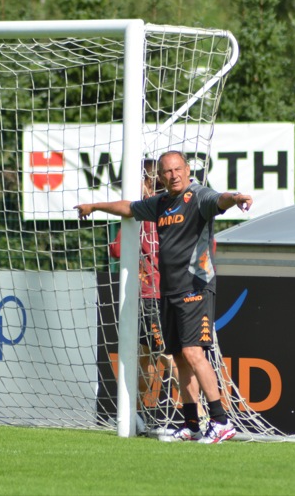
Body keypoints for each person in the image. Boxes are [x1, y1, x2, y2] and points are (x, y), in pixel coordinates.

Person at [76, 150, 252, 444]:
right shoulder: (161, 203)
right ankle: (192, 424)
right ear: (160, 176)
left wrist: (236, 198)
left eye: (177, 169)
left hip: (195, 287)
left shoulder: (198, 196)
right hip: (168, 291)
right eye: (167, 172)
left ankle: (221, 421)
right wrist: (94, 205)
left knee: (194, 354)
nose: (173, 175)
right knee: (181, 358)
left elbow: (219, 199)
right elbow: (130, 208)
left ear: (187, 170)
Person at [108, 159, 164, 434]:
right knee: (145, 357)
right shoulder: (170, 206)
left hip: (154, 294)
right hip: (155, 292)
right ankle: (139, 414)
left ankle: (198, 412)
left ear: (144, 182)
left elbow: (117, 250)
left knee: (167, 356)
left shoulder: (148, 211)